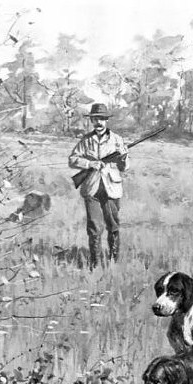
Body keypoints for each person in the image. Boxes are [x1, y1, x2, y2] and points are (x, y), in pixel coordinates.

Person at [69, 103, 128, 269]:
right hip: (92, 188)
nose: (99, 123)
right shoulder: (86, 140)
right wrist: (90, 164)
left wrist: (123, 158)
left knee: (113, 226)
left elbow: (125, 167)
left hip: (111, 189)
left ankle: (113, 262)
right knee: (94, 228)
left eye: (102, 119)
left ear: (106, 121)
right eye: (96, 119)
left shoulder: (117, 140)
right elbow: (72, 159)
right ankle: (94, 264)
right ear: (92, 121)